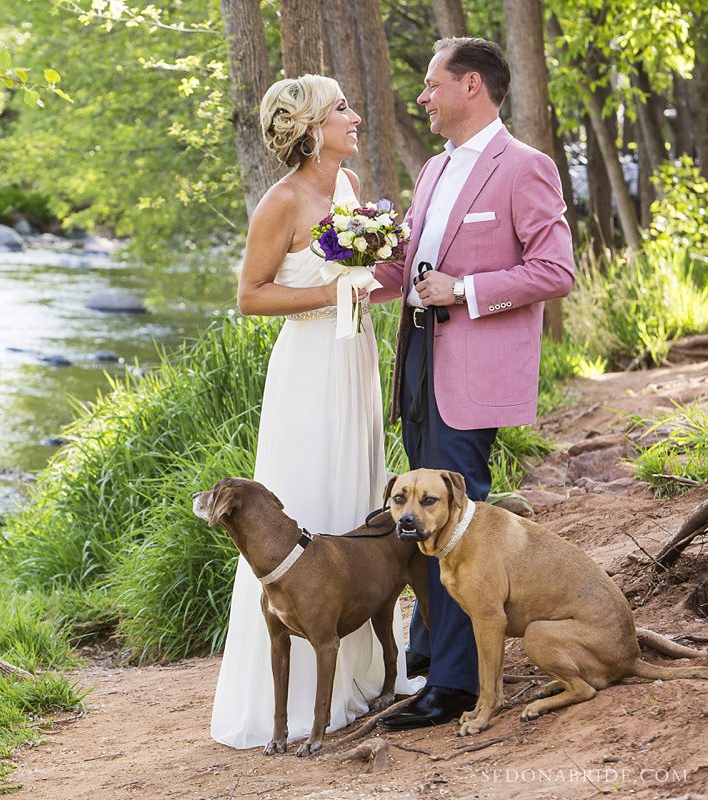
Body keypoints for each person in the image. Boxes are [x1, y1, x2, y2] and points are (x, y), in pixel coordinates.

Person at [210, 74, 424, 749]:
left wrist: (392, 285)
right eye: (342, 110)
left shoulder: (351, 190)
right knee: (305, 504)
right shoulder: (282, 201)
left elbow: (357, 288)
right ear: (310, 130)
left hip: (353, 359)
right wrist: (330, 300)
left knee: (352, 500)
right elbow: (250, 296)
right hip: (307, 371)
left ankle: (356, 674)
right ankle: (293, 700)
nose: (355, 117)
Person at [370, 38, 576, 730]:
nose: (422, 98)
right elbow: (403, 269)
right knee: (421, 519)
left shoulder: (526, 167)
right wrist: (337, 271)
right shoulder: (432, 170)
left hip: (474, 371)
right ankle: (428, 658)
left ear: (471, 87)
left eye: (431, 86)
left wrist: (465, 290)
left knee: (457, 527)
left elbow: (555, 271)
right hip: (419, 360)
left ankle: (456, 687)